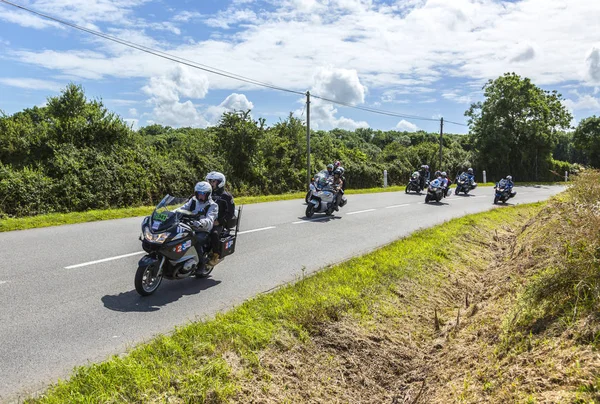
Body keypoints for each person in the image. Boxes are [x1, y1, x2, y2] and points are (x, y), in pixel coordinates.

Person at [178, 181, 218, 272]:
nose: (200, 196)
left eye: (203, 194)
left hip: (203, 230)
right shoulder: (193, 200)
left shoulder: (213, 205)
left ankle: (201, 263)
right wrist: (170, 213)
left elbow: (210, 219)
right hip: (189, 226)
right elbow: (183, 208)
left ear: (208, 194)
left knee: (195, 241)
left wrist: (201, 223)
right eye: (198, 193)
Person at [205, 171, 235, 266]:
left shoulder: (226, 196)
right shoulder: (205, 193)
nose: (211, 184)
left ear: (220, 182)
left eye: (213, 181)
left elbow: (230, 213)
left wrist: (219, 221)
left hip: (218, 222)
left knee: (214, 234)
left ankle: (215, 255)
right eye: (209, 181)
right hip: (204, 220)